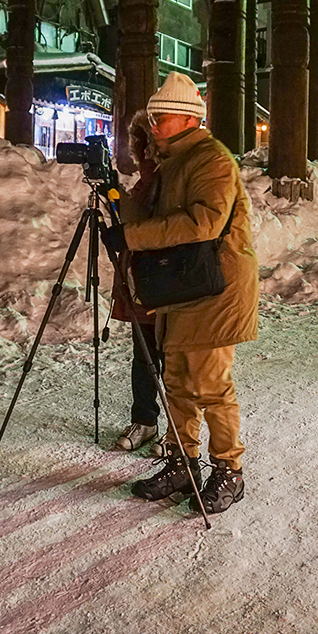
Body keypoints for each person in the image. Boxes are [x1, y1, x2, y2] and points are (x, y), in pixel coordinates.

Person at [107, 71, 259, 515]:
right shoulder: (171, 162)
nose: (153, 125)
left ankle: (229, 472)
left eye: (161, 117)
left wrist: (133, 237)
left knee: (210, 385)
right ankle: (181, 462)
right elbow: (149, 216)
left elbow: (204, 223)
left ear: (188, 118)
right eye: (151, 118)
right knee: (175, 383)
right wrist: (113, 192)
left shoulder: (212, 160)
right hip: (181, 285)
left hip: (216, 288)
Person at [111, 111, 163, 452]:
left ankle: (178, 430)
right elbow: (135, 216)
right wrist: (114, 195)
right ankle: (145, 420)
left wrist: (131, 233)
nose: (144, 152)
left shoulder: (173, 177)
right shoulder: (146, 180)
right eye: (140, 145)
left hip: (169, 281)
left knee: (172, 358)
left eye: (150, 144)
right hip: (141, 281)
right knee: (143, 356)